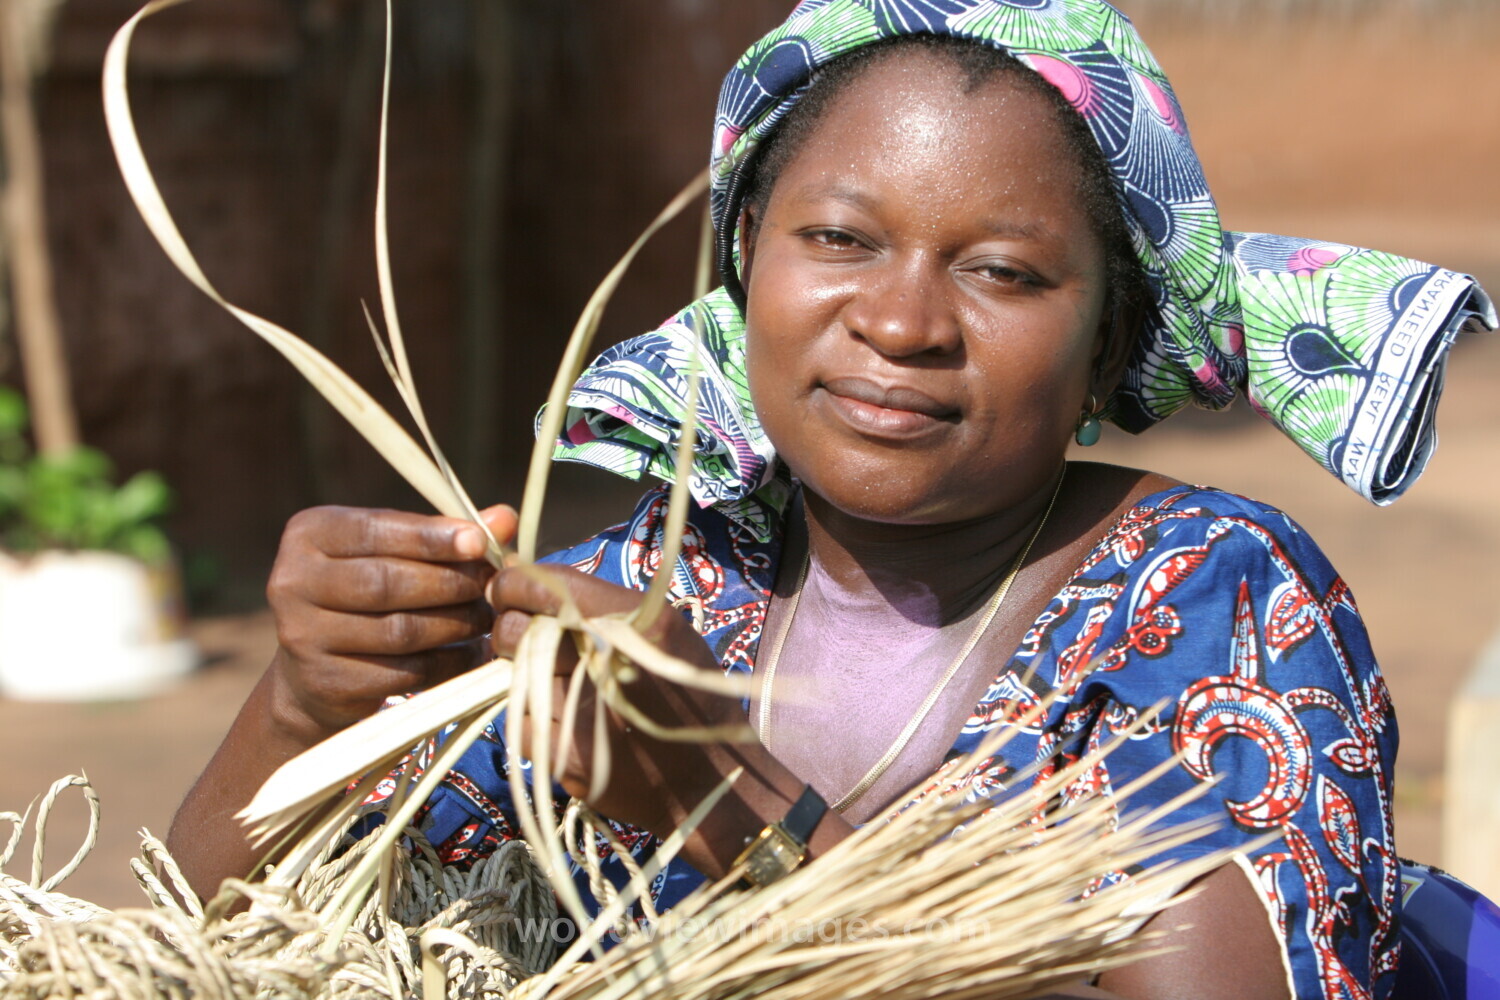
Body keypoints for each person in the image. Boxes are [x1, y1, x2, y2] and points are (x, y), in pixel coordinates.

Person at [165, 3, 1496, 999]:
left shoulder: (1209, 605)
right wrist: (307, 705)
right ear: (749, 256)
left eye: (1004, 273)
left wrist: (735, 805)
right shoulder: (659, 586)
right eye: (840, 239)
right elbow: (204, 949)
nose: (903, 323)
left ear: (1105, 340)